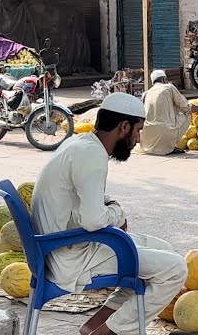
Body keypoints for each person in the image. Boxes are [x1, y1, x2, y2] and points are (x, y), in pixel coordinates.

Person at [31, 93, 188, 335]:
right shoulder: (92, 155)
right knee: (175, 269)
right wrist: (117, 214)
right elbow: (93, 220)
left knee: (163, 250)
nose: (137, 139)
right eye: (138, 130)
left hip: (62, 248)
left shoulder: (81, 144)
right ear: (123, 127)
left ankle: (95, 326)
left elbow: (88, 199)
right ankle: (110, 332)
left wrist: (114, 212)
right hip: (70, 258)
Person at [139, 69, 198, 155]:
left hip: (146, 139)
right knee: (188, 113)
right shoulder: (169, 87)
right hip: (165, 132)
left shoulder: (146, 93)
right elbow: (185, 107)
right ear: (164, 80)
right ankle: (170, 145)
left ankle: (164, 144)